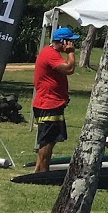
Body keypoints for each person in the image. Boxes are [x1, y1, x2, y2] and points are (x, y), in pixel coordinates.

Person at [32, 27, 79, 173]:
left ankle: (38, 170)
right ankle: (43, 171)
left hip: (52, 102)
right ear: (63, 41)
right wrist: (70, 52)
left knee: (49, 140)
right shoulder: (50, 54)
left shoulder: (51, 53)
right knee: (47, 140)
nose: (71, 44)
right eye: (70, 41)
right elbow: (69, 69)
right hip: (48, 103)